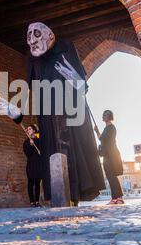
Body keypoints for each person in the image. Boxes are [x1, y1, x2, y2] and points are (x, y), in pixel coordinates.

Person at [25, 22, 105, 204]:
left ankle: (75, 194)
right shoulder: (32, 59)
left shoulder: (65, 48)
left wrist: (80, 84)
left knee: (71, 148)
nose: (32, 41)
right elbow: (31, 86)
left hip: (69, 109)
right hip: (47, 114)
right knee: (52, 148)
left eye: (36, 35)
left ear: (50, 36)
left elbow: (82, 84)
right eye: (29, 36)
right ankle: (58, 194)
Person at [94, 110, 125, 205]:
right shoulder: (106, 128)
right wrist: (97, 131)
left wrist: (101, 149)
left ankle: (119, 198)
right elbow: (102, 139)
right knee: (110, 177)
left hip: (112, 155)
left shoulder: (111, 128)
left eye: (105, 115)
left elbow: (106, 141)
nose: (103, 116)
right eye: (103, 114)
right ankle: (115, 198)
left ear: (109, 116)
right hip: (107, 156)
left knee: (112, 176)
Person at [23, 125, 45, 207]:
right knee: (30, 183)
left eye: (30, 129)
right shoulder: (26, 142)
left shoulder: (39, 140)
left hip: (38, 164)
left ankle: (37, 202)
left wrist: (41, 152)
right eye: (27, 129)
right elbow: (27, 154)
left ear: (34, 130)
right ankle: (32, 202)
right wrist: (31, 145)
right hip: (31, 165)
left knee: (37, 183)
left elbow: (43, 150)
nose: (28, 130)